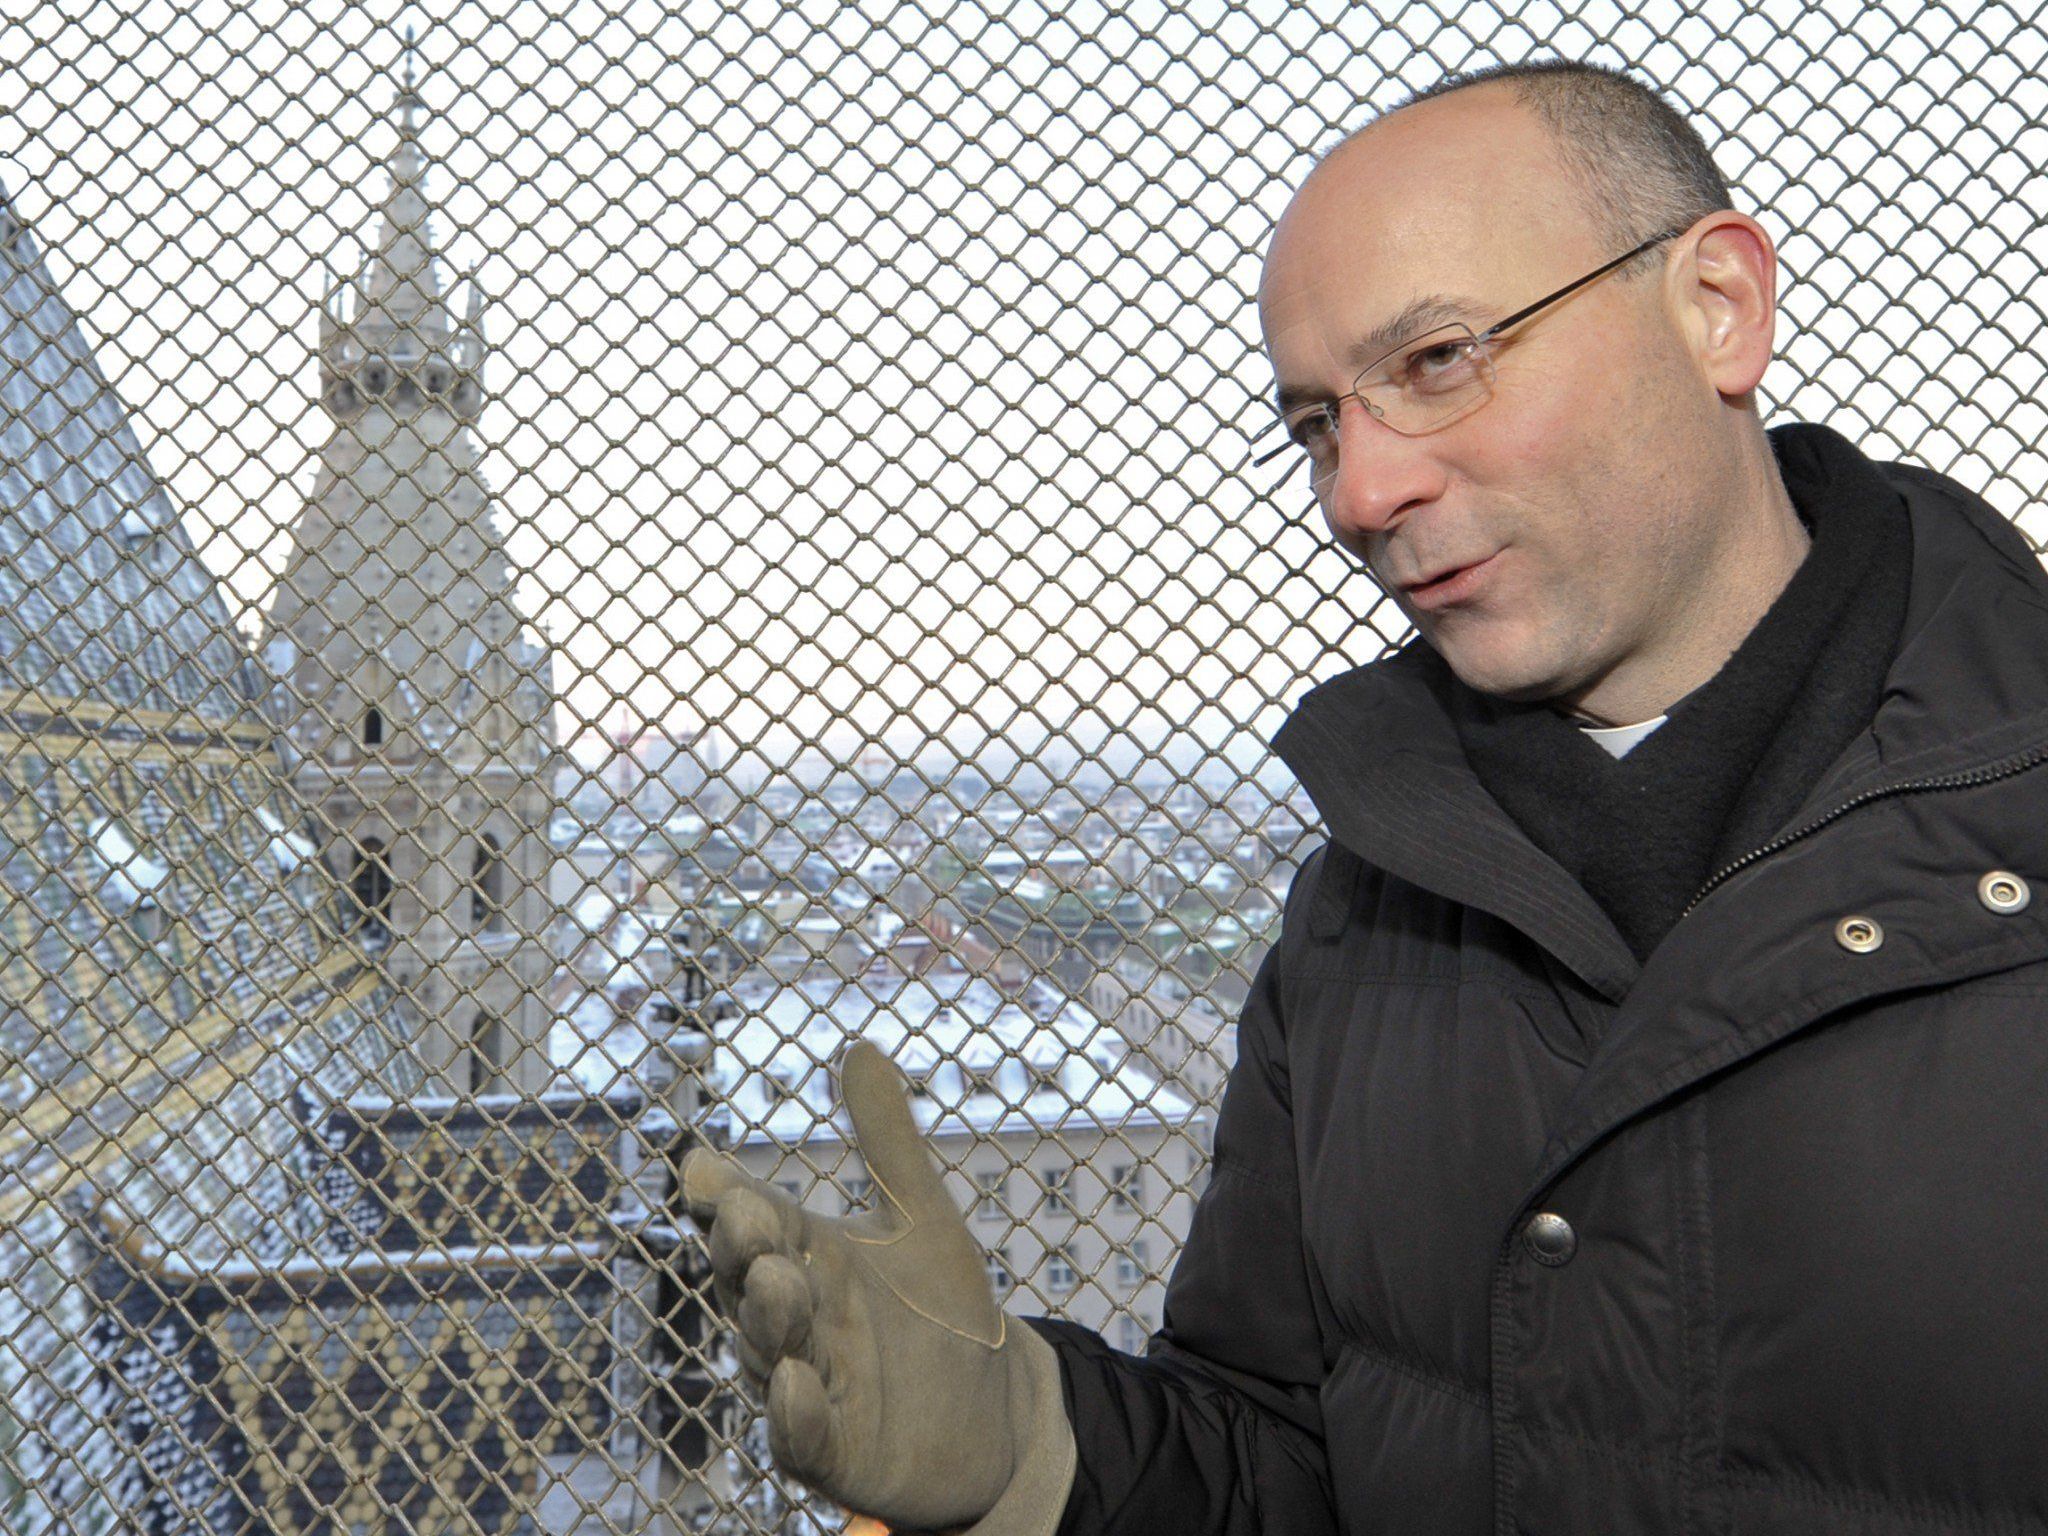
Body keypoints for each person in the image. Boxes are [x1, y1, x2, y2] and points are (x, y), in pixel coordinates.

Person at [682, 58, 2048, 1535]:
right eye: (1319, 422)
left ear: (1716, 306)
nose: (1358, 493)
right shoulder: (1357, 915)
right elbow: (1280, 1458)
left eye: (1441, 358)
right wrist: (1033, 1452)